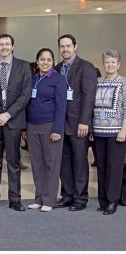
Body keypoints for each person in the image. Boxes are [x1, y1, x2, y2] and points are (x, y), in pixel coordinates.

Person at [0, 34, 31, 212]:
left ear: (13, 46)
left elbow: (25, 95)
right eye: (1, 44)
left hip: (14, 121)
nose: (4, 47)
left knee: (14, 162)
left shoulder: (23, 66)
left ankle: (15, 199)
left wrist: (8, 114)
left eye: (7, 44)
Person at [54, 34, 98, 211]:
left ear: (75, 46)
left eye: (68, 46)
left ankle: (80, 198)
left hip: (78, 124)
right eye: (62, 46)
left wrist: (84, 121)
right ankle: (67, 195)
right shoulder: (57, 68)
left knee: (79, 161)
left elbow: (89, 97)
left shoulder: (86, 67)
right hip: (61, 124)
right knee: (64, 161)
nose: (65, 49)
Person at [24, 48, 67, 212]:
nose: (45, 62)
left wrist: (57, 129)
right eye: (42, 59)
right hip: (32, 127)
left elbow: (61, 106)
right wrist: (25, 128)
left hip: (50, 127)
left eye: (49, 60)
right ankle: (39, 198)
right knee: (37, 163)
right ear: (37, 61)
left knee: (51, 163)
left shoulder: (58, 79)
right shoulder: (33, 79)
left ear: (53, 62)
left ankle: (49, 200)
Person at [91, 49, 126, 215]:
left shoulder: (124, 83)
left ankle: (113, 200)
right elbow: (90, 106)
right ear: (103, 64)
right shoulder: (97, 82)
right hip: (98, 131)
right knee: (101, 167)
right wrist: (91, 128)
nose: (110, 65)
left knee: (114, 167)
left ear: (118, 64)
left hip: (116, 132)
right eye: (107, 62)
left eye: (113, 62)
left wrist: (123, 130)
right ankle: (103, 200)